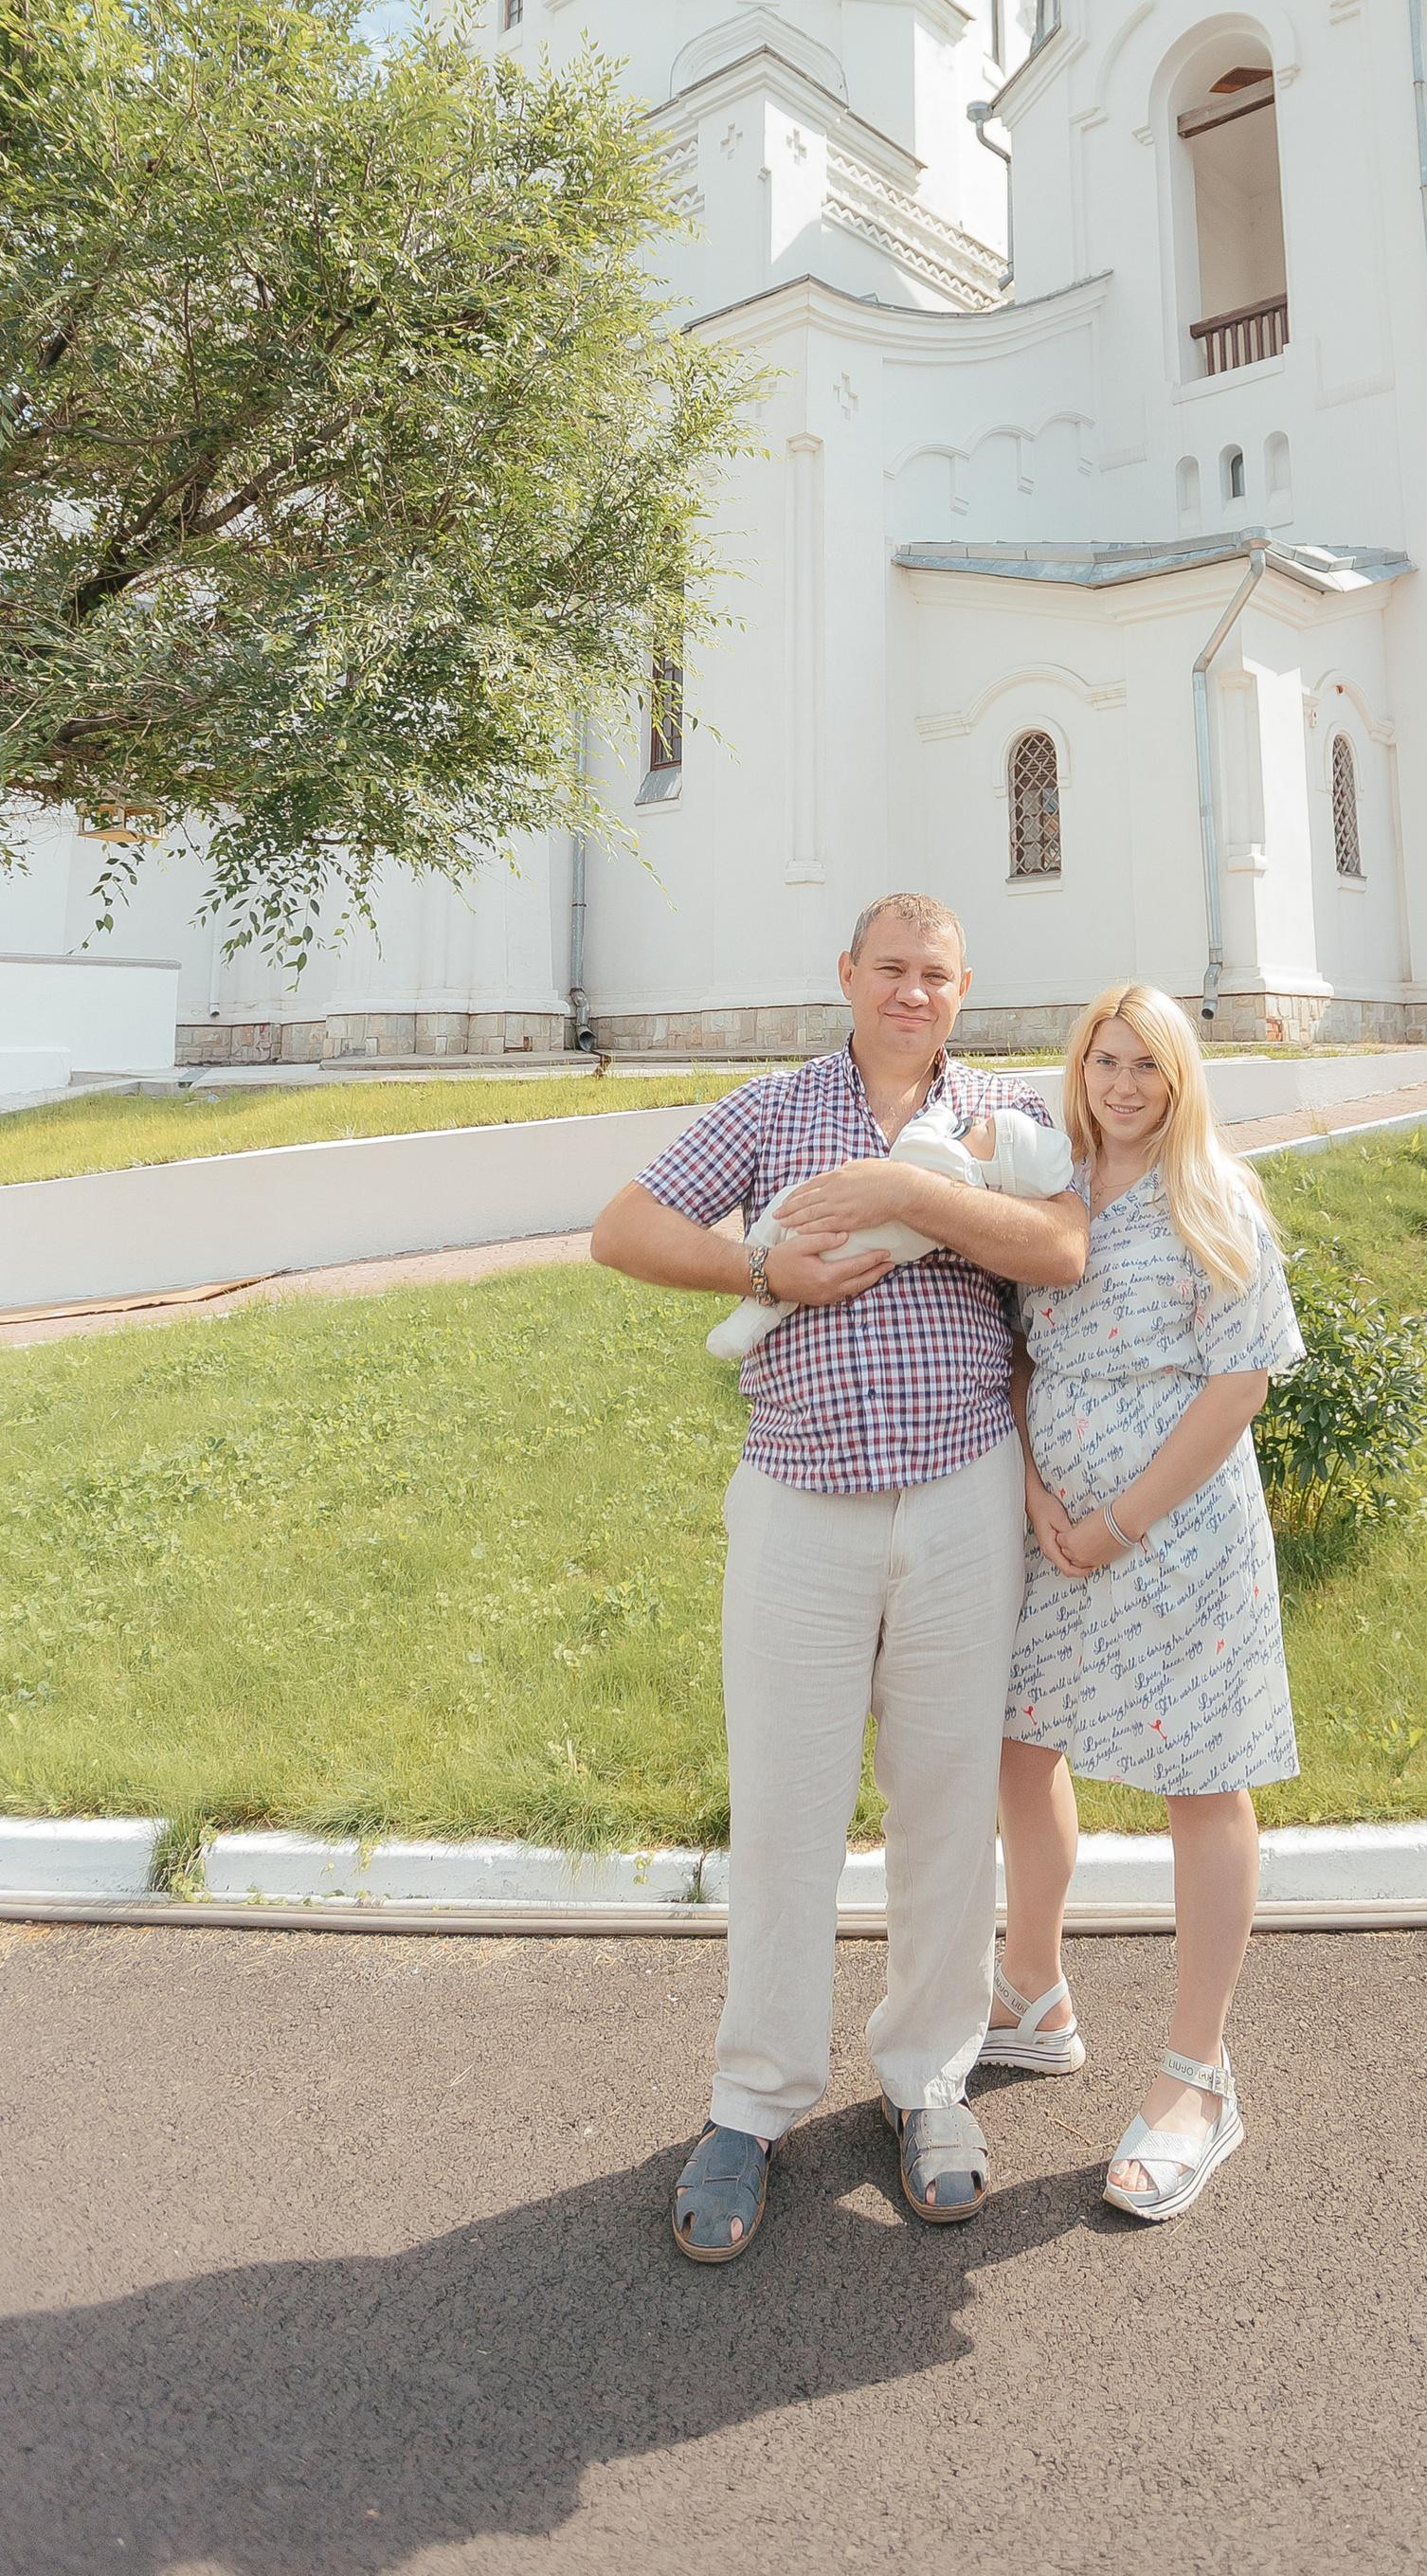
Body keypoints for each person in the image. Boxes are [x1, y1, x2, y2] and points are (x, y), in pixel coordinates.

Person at [587, 894, 1088, 2264]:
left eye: (937, 974)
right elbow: (621, 1228)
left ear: (965, 988)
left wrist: (920, 1197)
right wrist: (762, 1265)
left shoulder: (1004, 1112)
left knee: (946, 1808)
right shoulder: (772, 1109)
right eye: (891, 970)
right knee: (785, 1808)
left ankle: (929, 2081)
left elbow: (1063, 1246)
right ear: (848, 977)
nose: (912, 992)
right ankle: (752, 2102)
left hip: (963, 1492)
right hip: (800, 1502)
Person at [984, 981, 1303, 2222]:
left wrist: (1121, 1520)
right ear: (1079, 1070)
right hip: (1052, 1529)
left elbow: (1240, 1385)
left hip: (1177, 1538)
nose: (1123, 1085)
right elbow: (1013, 1353)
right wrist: (1036, 1495)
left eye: (1147, 1065)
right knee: (1018, 1748)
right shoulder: (1047, 1190)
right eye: (1105, 1061)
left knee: (1201, 1781)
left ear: (1181, 1078)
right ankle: (1031, 1991)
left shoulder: (1212, 1197)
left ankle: (1195, 2078)